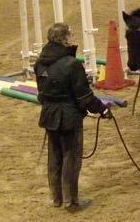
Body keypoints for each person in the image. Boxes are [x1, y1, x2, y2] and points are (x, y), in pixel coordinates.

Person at [34, 22, 110, 213]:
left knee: (54, 157)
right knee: (71, 159)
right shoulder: (72, 65)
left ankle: (57, 198)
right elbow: (84, 98)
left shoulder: (39, 63)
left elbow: (41, 93)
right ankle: (71, 202)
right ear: (65, 39)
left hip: (49, 116)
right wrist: (103, 110)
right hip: (69, 117)